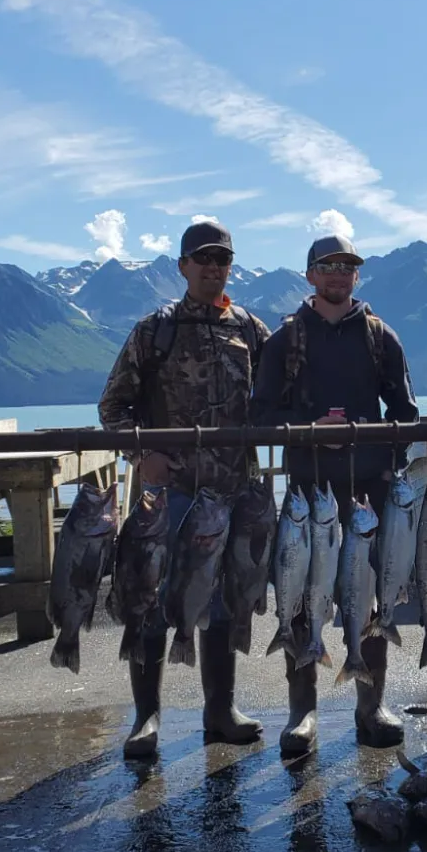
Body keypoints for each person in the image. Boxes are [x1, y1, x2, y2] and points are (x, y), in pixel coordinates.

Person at [98, 221, 272, 758]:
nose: (213, 267)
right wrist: (141, 453)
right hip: (169, 496)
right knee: (149, 598)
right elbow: (112, 408)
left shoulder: (250, 328)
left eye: (222, 259)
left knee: (221, 602)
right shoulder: (156, 330)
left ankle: (219, 710)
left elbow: (279, 398)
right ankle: (146, 717)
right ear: (183, 265)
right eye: (203, 259)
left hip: (232, 493)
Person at [249, 232, 420, 755]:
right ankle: (303, 713)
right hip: (309, 490)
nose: (338, 275)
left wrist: (381, 444)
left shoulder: (379, 335)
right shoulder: (285, 339)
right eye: (328, 266)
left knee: (370, 596)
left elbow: (407, 413)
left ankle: (372, 705)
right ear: (311, 276)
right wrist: (309, 427)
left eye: (347, 267)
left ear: (355, 277)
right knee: (300, 597)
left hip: (370, 490)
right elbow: (260, 417)